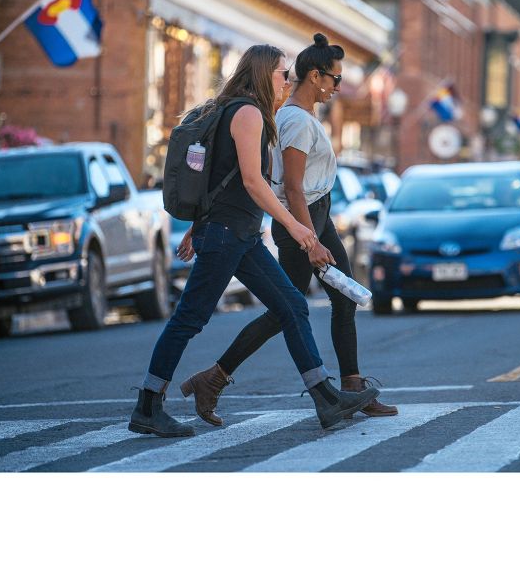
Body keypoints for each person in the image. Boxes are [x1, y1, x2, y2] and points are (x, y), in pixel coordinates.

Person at [128, 44, 379, 437]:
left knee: (293, 306)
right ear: (264, 74)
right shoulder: (248, 113)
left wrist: (196, 227)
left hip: (238, 234)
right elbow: (251, 180)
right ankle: (148, 404)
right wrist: (296, 227)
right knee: (189, 319)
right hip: (228, 236)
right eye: (283, 73)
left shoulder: (235, 110)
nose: (287, 81)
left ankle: (326, 398)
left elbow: (217, 177)